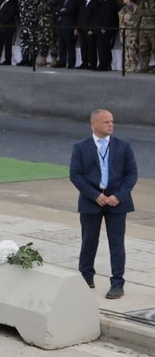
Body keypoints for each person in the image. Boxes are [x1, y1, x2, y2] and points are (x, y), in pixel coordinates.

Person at [69, 109, 137, 299]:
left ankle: (117, 283)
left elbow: (131, 174)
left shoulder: (123, 146)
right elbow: (75, 175)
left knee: (117, 244)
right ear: (94, 124)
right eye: (106, 121)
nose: (111, 124)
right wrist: (94, 195)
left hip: (117, 203)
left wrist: (119, 196)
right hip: (92, 202)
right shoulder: (80, 147)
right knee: (88, 241)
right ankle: (86, 277)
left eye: (112, 121)